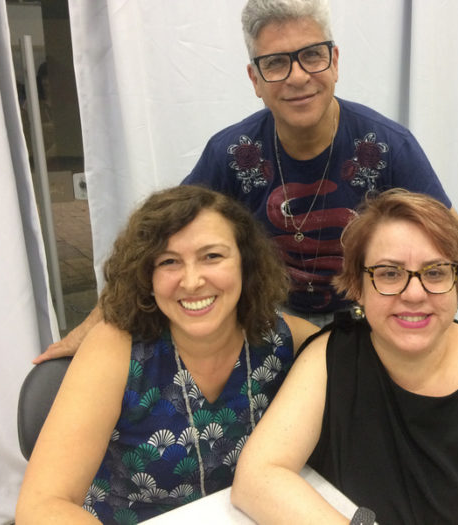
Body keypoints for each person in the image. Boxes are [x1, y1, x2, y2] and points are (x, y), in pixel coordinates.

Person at [35, 0, 458, 363]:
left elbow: (454, 238)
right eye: (275, 63)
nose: (297, 76)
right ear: (254, 79)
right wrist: (87, 328)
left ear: (334, 62)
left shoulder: (385, 145)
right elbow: (156, 242)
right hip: (268, 321)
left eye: (312, 55)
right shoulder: (230, 153)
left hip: (367, 319)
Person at [231, 189, 458, 524]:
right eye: (389, 273)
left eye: (435, 272)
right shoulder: (333, 356)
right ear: (358, 286)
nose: (414, 293)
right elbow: (257, 477)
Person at [16, 185, 318, 524]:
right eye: (169, 261)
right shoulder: (115, 349)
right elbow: (42, 505)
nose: (191, 282)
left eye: (212, 256)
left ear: (246, 264)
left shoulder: (287, 341)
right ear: (147, 274)